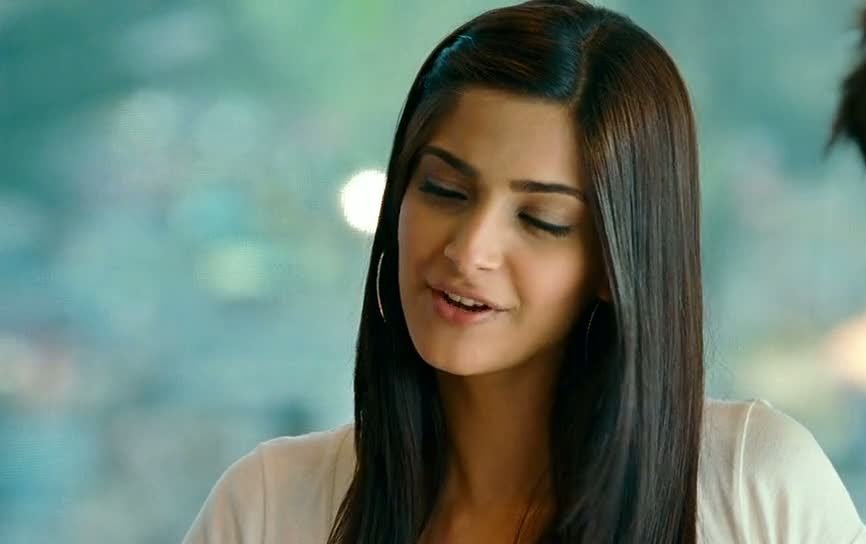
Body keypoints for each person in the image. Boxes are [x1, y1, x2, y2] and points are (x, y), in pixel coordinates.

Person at [182, 1, 866, 542]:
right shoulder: (267, 507)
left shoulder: (753, 487)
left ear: (616, 265)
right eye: (444, 190)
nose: (469, 249)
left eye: (541, 220)